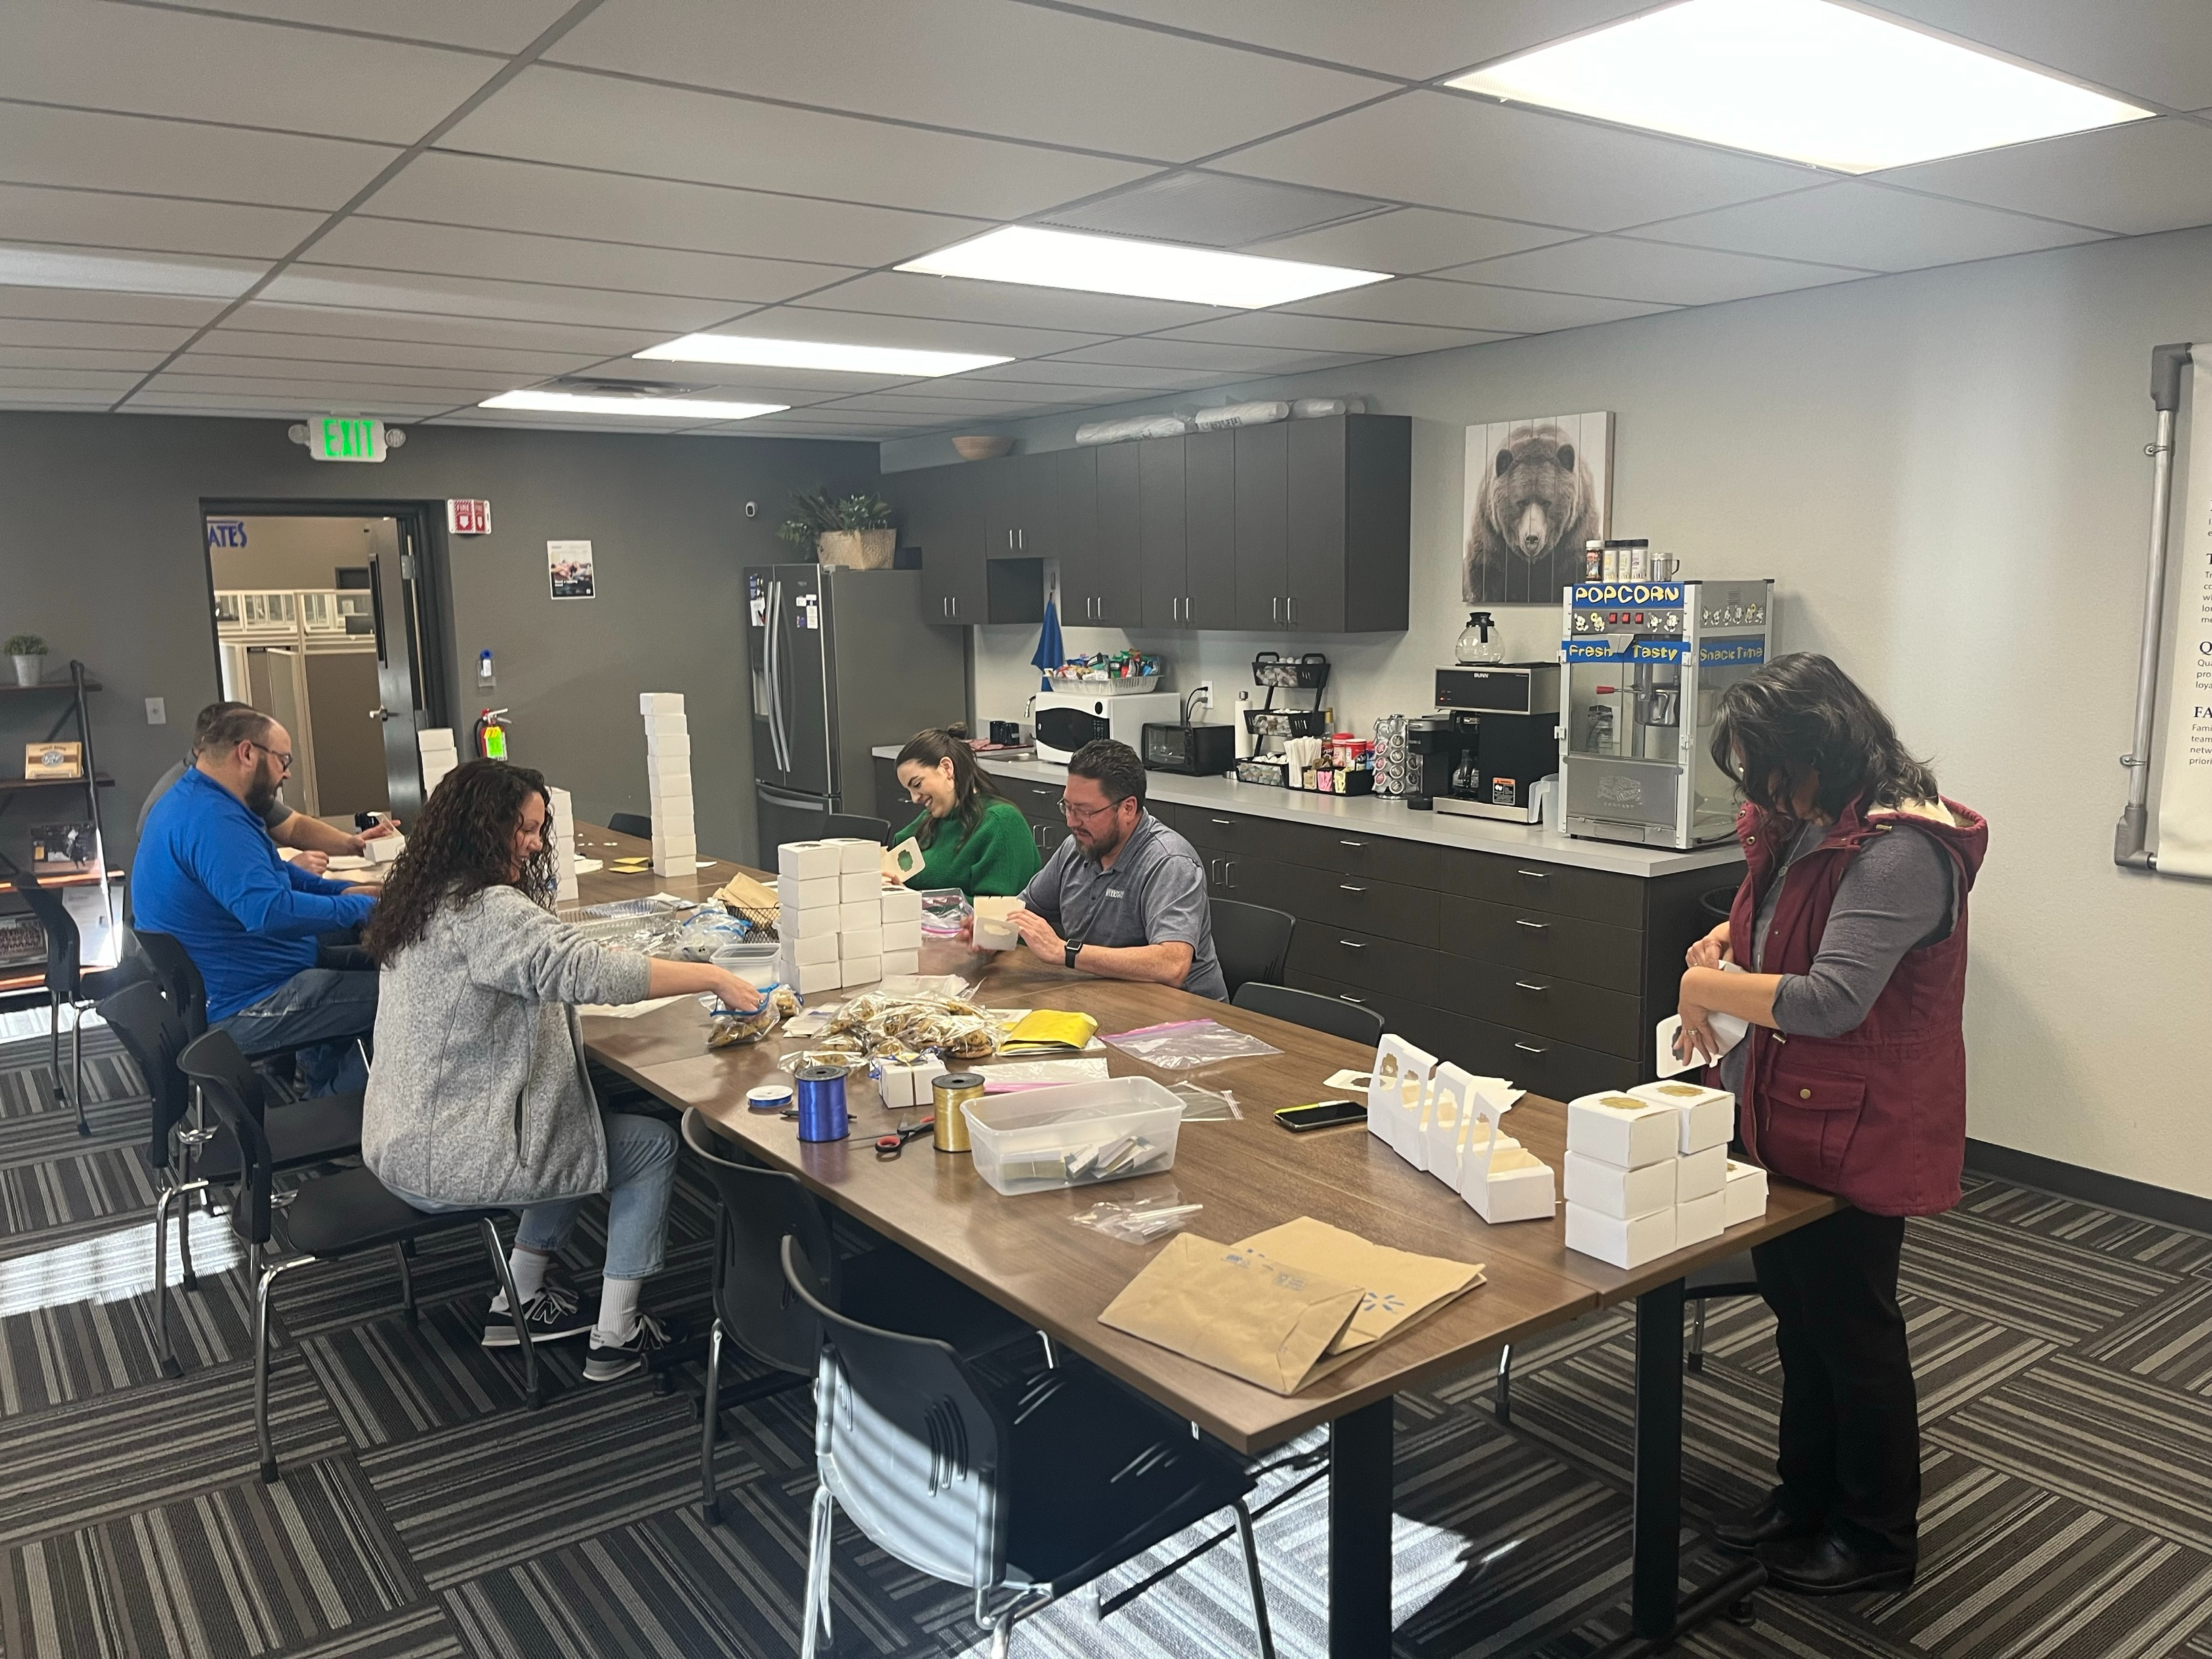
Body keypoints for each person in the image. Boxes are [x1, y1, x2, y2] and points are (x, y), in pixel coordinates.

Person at [1673, 653, 1986, 1597]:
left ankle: (1877, 1538)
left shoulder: (1899, 850)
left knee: (1854, 1334)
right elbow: (1784, 940)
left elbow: (1830, 998)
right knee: (1798, 1319)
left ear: (1826, 748)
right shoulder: (1805, 825)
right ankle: (1801, 1500)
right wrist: (1726, 943)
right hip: (1783, 1114)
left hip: (1859, 1124)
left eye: (1777, 768)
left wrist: (1705, 985)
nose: (1766, 792)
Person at [361, 759, 764, 1381]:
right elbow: (590, 973)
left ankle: (518, 1299)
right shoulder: (488, 911)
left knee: (574, 1116)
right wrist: (712, 975)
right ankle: (617, 1336)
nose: (535, 843)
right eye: (523, 829)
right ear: (480, 827)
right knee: (650, 1146)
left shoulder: (426, 896)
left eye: (538, 829)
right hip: (454, 1153)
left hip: (407, 1134)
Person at [133, 705, 381, 1095]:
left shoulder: (197, 799)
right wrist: (362, 907)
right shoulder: (214, 821)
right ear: (247, 754)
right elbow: (269, 912)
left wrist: (341, 891)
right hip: (247, 1004)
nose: (287, 773)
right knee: (402, 1000)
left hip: (245, 980)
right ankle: (335, 1112)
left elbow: (271, 873)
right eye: (284, 760)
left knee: (371, 965)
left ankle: (318, 1087)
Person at [1005, 739, 1225, 1000]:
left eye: (1086, 811)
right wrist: (989, 927)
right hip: (1102, 996)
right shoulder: (1076, 847)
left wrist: (1066, 952)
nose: (1072, 822)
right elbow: (1025, 908)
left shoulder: (1169, 862)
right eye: (1068, 807)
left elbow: (1172, 965)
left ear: (1128, 809)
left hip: (1183, 1017)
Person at [138, 701, 397, 875]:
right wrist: (289, 874)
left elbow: (292, 826)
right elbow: (256, 905)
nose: (287, 773)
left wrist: (352, 844)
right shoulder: (199, 808)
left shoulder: (224, 788)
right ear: (242, 750)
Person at [890, 727, 1040, 897]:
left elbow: (995, 911)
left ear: (947, 769)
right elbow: (896, 857)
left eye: (917, 785)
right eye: (909, 790)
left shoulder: (1001, 824)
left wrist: (916, 900)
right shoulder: (931, 820)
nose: (915, 798)